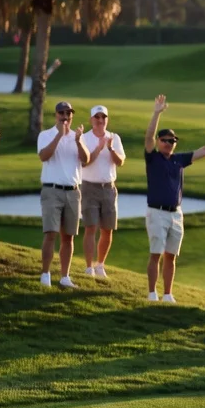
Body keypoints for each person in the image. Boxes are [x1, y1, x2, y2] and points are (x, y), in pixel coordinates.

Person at [142, 94, 205, 302]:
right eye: (165, 140)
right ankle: (152, 293)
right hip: (157, 212)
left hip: (176, 214)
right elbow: (149, 137)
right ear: (159, 142)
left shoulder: (179, 160)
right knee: (156, 254)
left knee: (171, 256)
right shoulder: (153, 158)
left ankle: (168, 294)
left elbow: (204, 151)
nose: (169, 143)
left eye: (172, 141)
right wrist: (156, 113)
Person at [36, 101, 90, 287]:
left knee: (68, 236)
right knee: (51, 233)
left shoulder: (78, 136)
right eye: (62, 113)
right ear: (56, 115)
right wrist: (59, 134)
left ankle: (65, 276)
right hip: (52, 190)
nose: (65, 116)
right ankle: (45, 274)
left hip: (73, 192)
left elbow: (86, 160)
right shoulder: (46, 135)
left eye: (68, 113)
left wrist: (78, 141)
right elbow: (44, 156)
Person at [80, 105, 124, 278]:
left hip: (109, 188)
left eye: (103, 117)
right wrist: (99, 148)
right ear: (91, 119)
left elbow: (120, 162)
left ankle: (100, 265)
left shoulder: (114, 138)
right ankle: (88, 267)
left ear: (107, 119)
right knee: (91, 227)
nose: (100, 120)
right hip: (89, 187)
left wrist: (110, 148)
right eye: (97, 117)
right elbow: (84, 163)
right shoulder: (84, 138)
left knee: (107, 229)